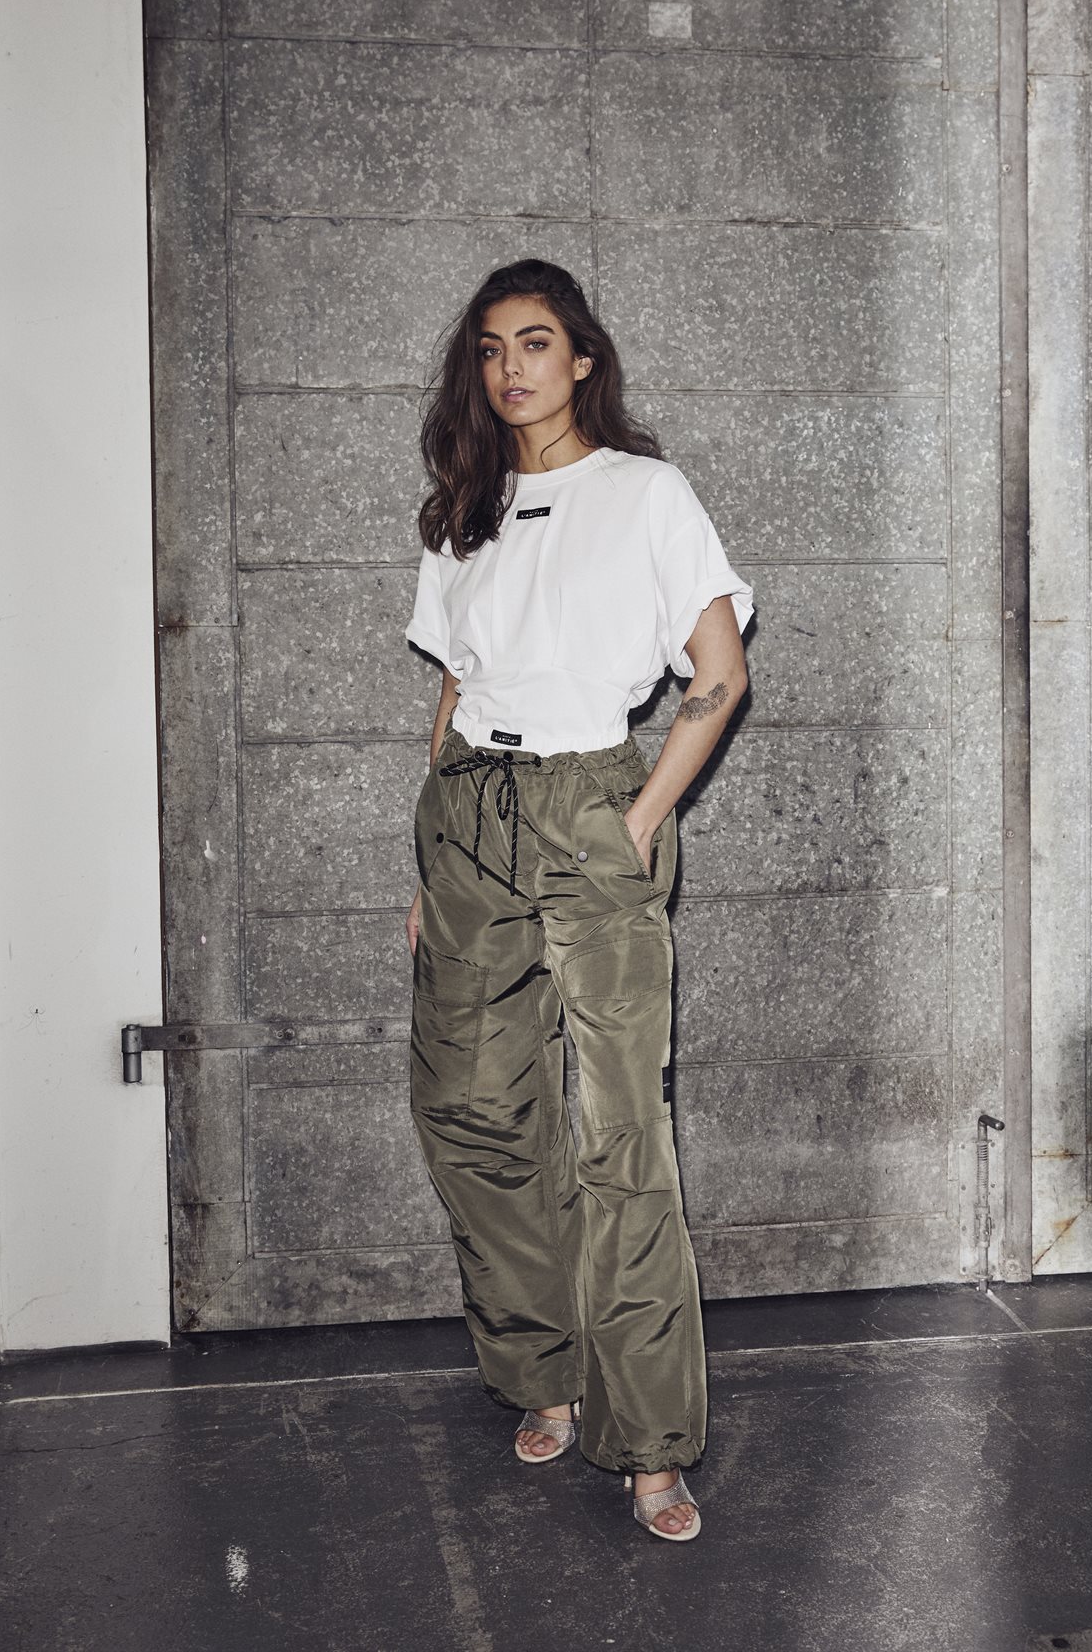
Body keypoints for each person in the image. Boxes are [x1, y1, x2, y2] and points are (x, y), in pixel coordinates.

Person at [402, 258, 754, 1542]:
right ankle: (540, 1371)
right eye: (492, 348)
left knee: (619, 1134)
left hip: (591, 803)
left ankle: (650, 1445)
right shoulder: (466, 507)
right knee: (473, 1107)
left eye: (536, 342)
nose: (512, 368)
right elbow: (454, 686)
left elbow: (718, 671)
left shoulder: (645, 493)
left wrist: (641, 819)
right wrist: (429, 863)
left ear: (583, 358)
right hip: (467, 812)